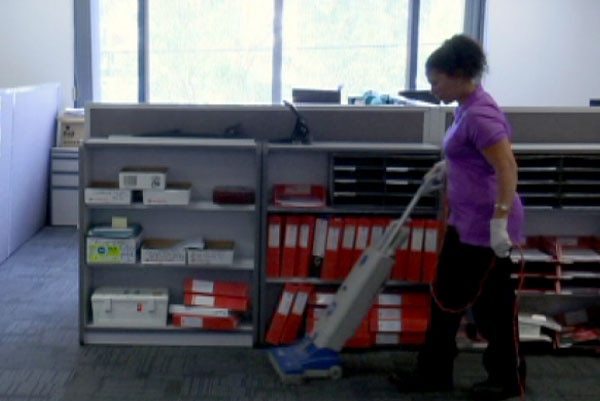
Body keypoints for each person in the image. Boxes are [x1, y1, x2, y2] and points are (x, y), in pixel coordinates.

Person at [391, 34, 525, 401]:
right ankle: (500, 379)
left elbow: (507, 167)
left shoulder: (481, 114)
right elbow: (471, 156)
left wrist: (499, 222)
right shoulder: (466, 106)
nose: (432, 89)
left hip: (486, 228)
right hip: (468, 221)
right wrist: (447, 168)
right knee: (479, 303)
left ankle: (446, 374)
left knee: (463, 302)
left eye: (436, 81)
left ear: (458, 74)